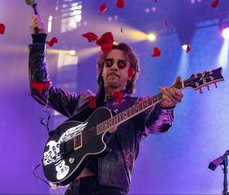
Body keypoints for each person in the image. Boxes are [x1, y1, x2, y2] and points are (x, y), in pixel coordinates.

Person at [28, 15, 184, 195]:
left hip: (109, 190)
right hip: (73, 189)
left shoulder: (138, 106)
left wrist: (165, 106)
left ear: (130, 74)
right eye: (108, 63)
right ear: (101, 70)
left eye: (122, 64)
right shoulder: (83, 101)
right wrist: (38, 42)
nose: (114, 67)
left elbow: (157, 125)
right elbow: (41, 90)